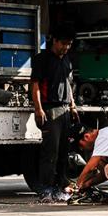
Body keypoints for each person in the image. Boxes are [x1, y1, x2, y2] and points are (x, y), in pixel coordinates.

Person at [31, 22, 78, 202]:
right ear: (54, 41)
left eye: (69, 44)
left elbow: (68, 84)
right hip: (49, 109)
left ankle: (60, 187)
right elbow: (35, 85)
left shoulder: (67, 60)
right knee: (50, 151)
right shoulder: (41, 59)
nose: (66, 47)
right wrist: (38, 109)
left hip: (65, 109)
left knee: (63, 152)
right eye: (63, 43)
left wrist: (73, 106)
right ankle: (45, 189)